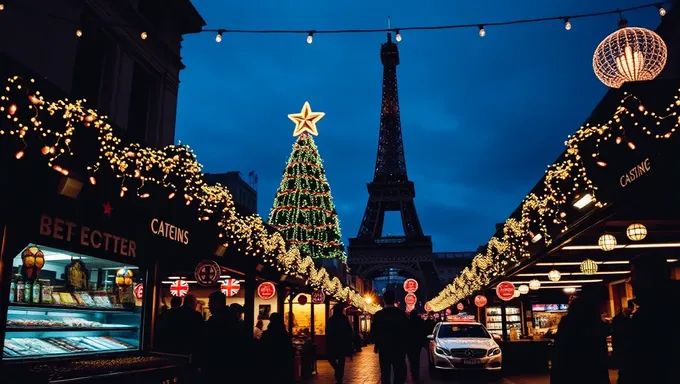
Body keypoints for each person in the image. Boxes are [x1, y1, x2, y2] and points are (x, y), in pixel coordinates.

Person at [618, 256, 680, 383]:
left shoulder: (652, 314)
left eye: (634, 274)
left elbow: (639, 362)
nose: (630, 281)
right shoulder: (664, 306)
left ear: (648, 277)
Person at [550, 296, 609, 384]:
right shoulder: (595, 324)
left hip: (570, 367)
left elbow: (560, 348)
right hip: (592, 367)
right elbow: (601, 350)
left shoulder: (567, 322)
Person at [198, 292, 244, 383]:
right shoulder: (232, 319)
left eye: (210, 303)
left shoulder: (215, 321)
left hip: (216, 363)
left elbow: (208, 342)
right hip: (230, 364)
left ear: (217, 304)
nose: (209, 305)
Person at [371, 291, 408, 384]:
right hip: (399, 348)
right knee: (399, 372)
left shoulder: (379, 315)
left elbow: (374, 331)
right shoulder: (401, 314)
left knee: (385, 372)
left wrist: (376, 344)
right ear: (394, 300)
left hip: (384, 348)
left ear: (384, 300)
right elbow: (407, 330)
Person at [261, 312, 295, 383]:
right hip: (282, 363)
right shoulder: (284, 334)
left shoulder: (266, 334)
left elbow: (263, 348)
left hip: (269, 363)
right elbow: (288, 349)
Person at [326, 305, 354, 383]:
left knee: (331, 358)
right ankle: (339, 374)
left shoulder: (331, 320)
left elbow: (328, 333)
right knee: (341, 361)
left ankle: (338, 372)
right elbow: (349, 332)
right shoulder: (344, 320)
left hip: (333, 343)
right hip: (342, 344)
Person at [610, 300, 633, 373]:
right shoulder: (618, 319)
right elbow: (618, 333)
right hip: (621, 346)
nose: (631, 311)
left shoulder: (627, 318)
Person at [406, 311, 427, 381]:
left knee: (411, 359)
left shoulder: (408, 322)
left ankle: (413, 372)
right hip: (418, 343)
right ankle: (416, 374)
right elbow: (424, 332)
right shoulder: (421, 322)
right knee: (417, 358)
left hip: (409, 343)